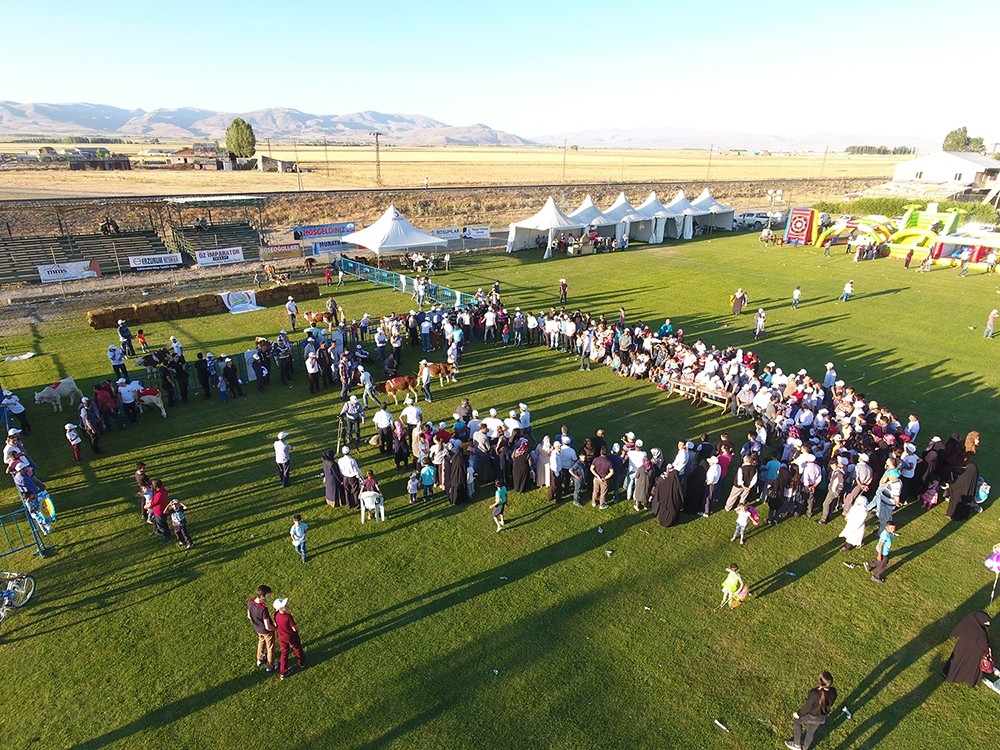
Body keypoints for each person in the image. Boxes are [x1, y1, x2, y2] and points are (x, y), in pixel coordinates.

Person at [785, 672, 837, 750]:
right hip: (822, 717)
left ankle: (797, 745)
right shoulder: (833, 692)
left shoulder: (815, 694)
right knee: (810, 732)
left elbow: (807, 707)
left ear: (820, 682)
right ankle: (805, 748)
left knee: (797, 721)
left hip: (812, 716)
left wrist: (798, 714)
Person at [943, 610, 994, 688]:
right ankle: (963, 677)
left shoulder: (969, 625)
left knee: (956, 661)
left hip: (962, 648)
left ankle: (948, 673)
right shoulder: (980, 633)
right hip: (974, 653)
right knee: (969, 666)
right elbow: (984, 645)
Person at [272, 597, 307, 680]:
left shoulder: (276, 615)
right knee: (297, 648)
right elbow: (294, 628)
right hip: (291, 636)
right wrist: (297, 632)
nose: (287, 605)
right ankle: (302, 662)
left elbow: (276, 624)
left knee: (284, 653)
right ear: (281, 608)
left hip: (281, 636)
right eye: (285, 605)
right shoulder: (288, 617)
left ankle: (283, 672)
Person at [247, 585, 276, 673]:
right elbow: (267, 626)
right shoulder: (263, 610)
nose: (269, 595)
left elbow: (249, 616)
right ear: (262, 596)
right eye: (267, 594)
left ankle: (259, 658)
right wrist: (275, 628)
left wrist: (257, 624)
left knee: (261, 641)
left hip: (258, 629)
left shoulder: (250, 602)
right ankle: (270, 666)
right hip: (267, 631)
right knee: (270, 647)